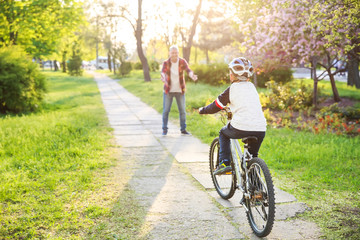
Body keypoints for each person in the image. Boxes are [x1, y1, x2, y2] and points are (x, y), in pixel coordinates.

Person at [198, 57, 266, 175]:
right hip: (260, 128)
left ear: (233, 75)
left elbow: (215, 106)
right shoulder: (252, 87)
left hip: (241, 127)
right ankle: (257, 190)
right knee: (252, 157)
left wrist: (202, 110)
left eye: (230, 73)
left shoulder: (232, 89)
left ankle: (224, 163)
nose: (229, 75)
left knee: (223, 133)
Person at [161, 45, 198, 135]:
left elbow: (188, 70)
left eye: (176, 52)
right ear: (169, 53)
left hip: (180, 90)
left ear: (178, 53)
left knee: (182, 111)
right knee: (166, 111)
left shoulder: (182, 61)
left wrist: (192, 75)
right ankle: (164, 129)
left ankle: (183, 129)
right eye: (172, 53)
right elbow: (163, 72)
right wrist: (162, 76)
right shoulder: (166, 63)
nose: (174, 54)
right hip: (168, 91)